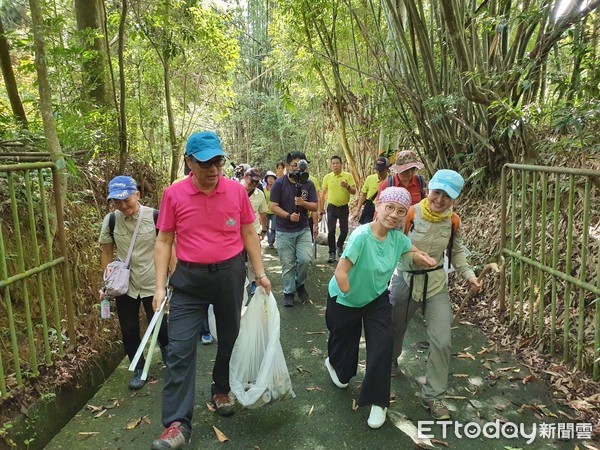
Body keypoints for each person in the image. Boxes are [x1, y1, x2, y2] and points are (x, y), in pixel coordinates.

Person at [151, 131, 271, 450]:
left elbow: (248, 231)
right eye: (205, 162)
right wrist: (159, 286)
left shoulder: (235, 192)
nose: (213, 169)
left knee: (229, 337)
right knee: (179, 349)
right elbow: (163, 241)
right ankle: (177, 424)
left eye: (218, 161)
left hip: (229, 275)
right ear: (189, 161)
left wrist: (260, 273)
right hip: (188, 280)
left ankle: (221, 388)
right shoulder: (174, 195)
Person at [324, 187, 436, 429]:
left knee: (383, 344)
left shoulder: (398, 239)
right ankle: (334, 363)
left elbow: (411, 251)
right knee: (343, 362)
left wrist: (421, 257)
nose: (394, 215)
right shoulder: (361, 236)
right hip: (345, 300)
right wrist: (346, 288)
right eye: (390, 208)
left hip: (375, 299)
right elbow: (341, 270)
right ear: (378, 208)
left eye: (401, 211)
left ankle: (378, 401)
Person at [389, 169, 481, 421]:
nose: (440, 200)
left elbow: (457, 251)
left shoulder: (453, 221)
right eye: (436, 192)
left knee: (442, 339)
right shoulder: (408, 214)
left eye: (447, 196)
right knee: (395, 329)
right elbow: (392, 242)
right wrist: (412, 256)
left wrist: (468, 273)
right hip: (405, 279)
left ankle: (434, 395)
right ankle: (391, 361)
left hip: (436, 284)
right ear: (429, 189)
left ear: (455, 198)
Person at [99, 176, 169, 391]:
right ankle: (138, 368)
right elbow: (106, 253)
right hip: (125, 286)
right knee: (129, 329)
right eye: (117, 202)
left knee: (159, 325)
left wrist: (172, 278)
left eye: (126, 200)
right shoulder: (111, 220)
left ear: (137, 195)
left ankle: (170, 358)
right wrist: (108, 280)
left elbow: (169, 247)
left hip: (152, 282)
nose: (122, 206)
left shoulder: (156, 216)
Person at [269, 151, 318, 307]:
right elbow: (273, 206)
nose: (298, 169)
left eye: (301, 165)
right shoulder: (279, 184)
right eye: (295, 165)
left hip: (303, 229)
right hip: (284, 231)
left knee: (305, 260)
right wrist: (288, 216)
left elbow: (315, 206)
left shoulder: (308, 183)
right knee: (288, 264)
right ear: (288, 166)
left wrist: (302, 203)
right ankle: (289, 292)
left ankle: (299, 283)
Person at [172, 164, 214, 345]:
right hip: (186, 260)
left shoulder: (213, 187)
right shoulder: (175, 190)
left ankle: (207, 329)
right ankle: (204, 330)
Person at [320, 155, 356, 263]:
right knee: (331, 231)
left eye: (337, 163)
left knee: (344, 230)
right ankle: (331, 253)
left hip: (343, 207)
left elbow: (354, 191)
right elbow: (323, 194)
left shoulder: (347, 176)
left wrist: (347, 187)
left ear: (341, 164)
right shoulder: (327, 177)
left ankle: (340, 245)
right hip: (331, 207)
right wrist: (321, 208)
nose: (335, 165)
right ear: (331, 165)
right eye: (333, 163)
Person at [241, 167, 268, 294]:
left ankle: (253, 283)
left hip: (254, 230)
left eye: (257, 182)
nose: (254, 184)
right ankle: (239, 282)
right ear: (245, 177)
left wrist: (264, 230)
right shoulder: (235, 190)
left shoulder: (259, 194)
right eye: (252, 181)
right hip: (235, 232)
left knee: (254, 258)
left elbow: (263, 213)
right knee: (237, 259)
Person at [351, 156, 390, 224]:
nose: (379, 172)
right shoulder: (370, 178)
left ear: (387, 169)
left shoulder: (391, 181)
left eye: (381, 170)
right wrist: (357, 210)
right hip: (369, 207)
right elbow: (363, 195)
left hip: (384, 210)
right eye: (377, 170)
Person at [263, 171, 277, 248]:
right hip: (265, 211)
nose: (270, 179)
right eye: (268, 178)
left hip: (274, 211)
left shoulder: (277, 189)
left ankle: (271, 242)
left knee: (274, 228)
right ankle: (269, 241)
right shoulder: (263, 189)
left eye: (272, 178)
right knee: (266, 227)